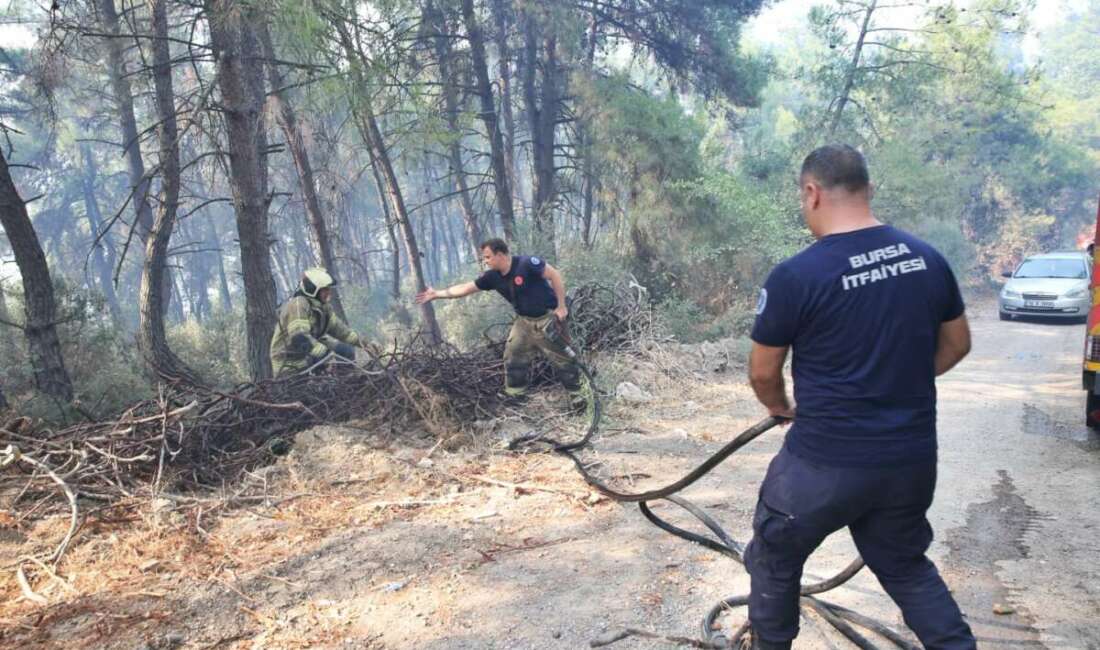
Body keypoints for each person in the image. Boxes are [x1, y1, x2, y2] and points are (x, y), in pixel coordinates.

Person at [744, 145, 975, 649]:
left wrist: (780, 406)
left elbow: (763, 373)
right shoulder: (927, 259)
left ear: (811, 193)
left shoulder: (796, 276)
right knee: (904, 564)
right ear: (868, 189)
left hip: (824, 464)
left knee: (773, 556)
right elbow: (958, 343)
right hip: (909, 462)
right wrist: (902, 380)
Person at [415, 238, 587, 410]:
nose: (485, 261)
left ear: (500, 254)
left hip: (547, 318)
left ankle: (577, 396)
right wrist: (437, 294)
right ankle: (516, 394)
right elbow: (466, 288)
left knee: (561, 358)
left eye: (488, 257)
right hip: (524, 322)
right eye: (484, 258)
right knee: (513, 354)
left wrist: (561, 306)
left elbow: (554, 275)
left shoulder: (526, 264)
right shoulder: (492, 277)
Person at [270, 268, 363, 377]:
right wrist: (327, 356)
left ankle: (348, 383)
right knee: (320, 369)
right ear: (313, 289)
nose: (328, 292)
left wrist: (364, 343)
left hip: (309, 353)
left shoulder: (323, 307)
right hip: (289, 362)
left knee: (345, 351)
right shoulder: (298, 305)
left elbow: (342, 332)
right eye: (324, 289)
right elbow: (300, 338)